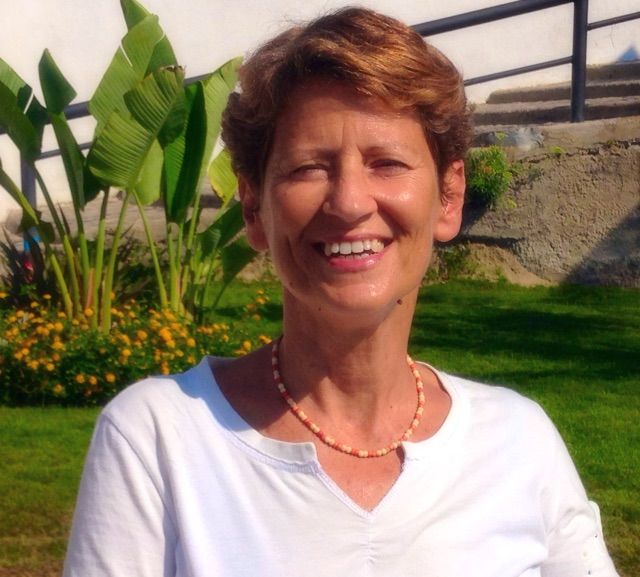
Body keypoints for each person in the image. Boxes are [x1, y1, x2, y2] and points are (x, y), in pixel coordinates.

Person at [63, 7, 619, 577]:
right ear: (253, 206)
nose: (350, 202)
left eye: (388, 163)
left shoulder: (518, 443)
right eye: (309, 168)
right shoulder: (160, 441)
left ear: (449, 197)